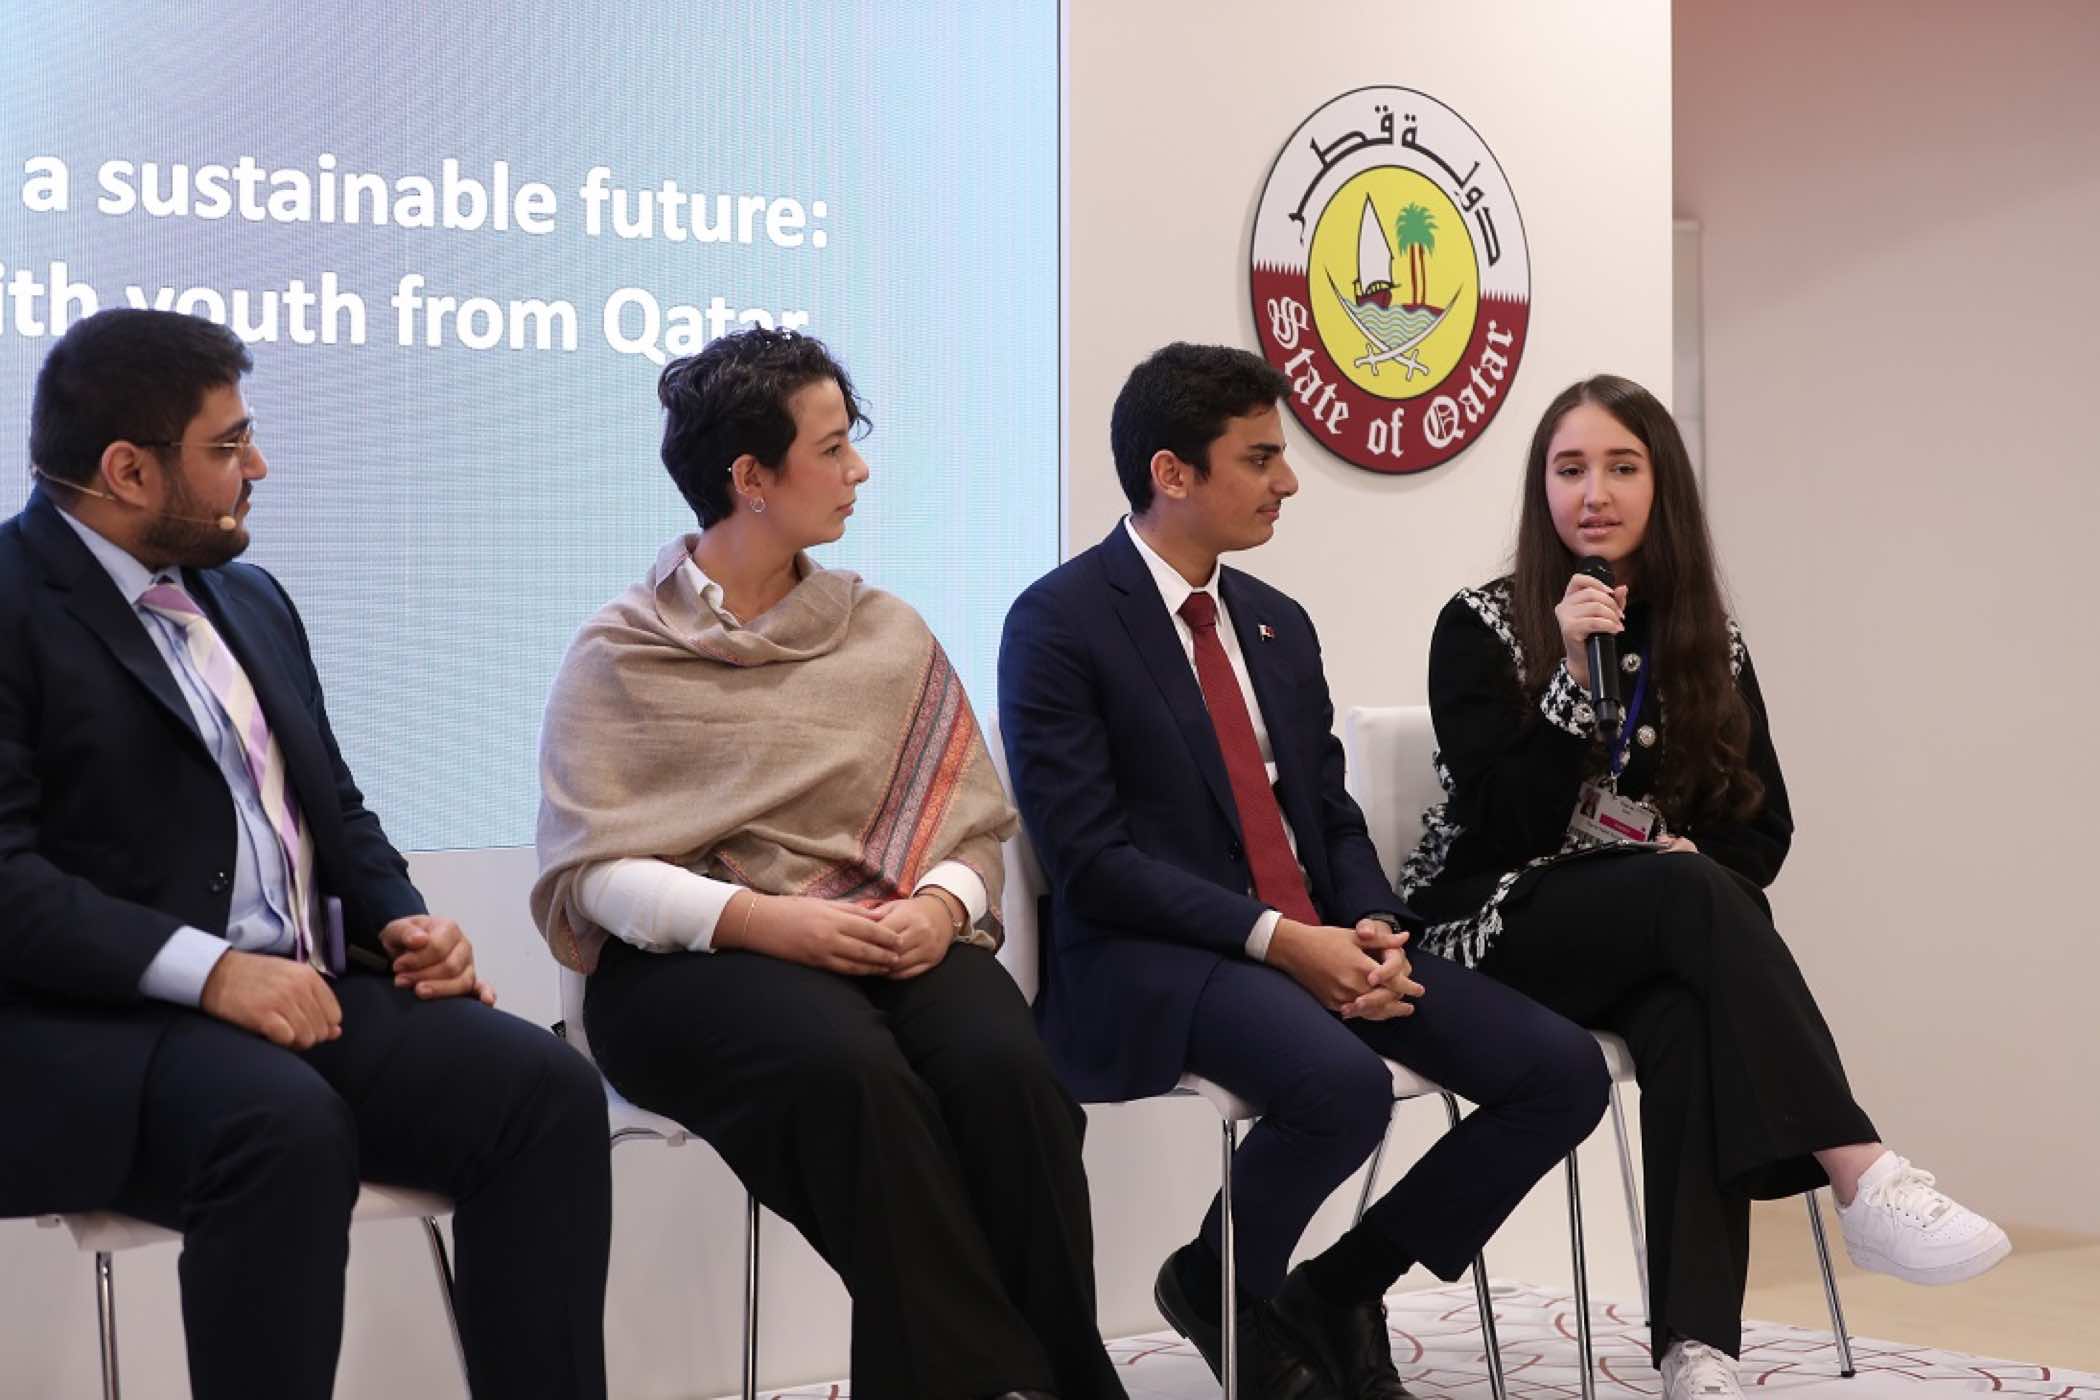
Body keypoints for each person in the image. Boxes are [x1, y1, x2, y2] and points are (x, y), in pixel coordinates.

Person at [0, 308, 611, 1400]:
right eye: (228, 446)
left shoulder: (247, 593)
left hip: (303, 996)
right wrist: (216, 971)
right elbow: (8, 885)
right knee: (282, 1127)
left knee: (544, 1090)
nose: (259, 467)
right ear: (128, 468)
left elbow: (331, 804)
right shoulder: (8, 603)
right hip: (96, 1030)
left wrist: (400, 918)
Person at [997, 342, 1609, 1400]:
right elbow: (1092, 864)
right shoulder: (1058, 622)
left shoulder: (1277, 621)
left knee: (1562, 1074)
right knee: (1342, 1084)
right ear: (1171, 472)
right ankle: (1219, 1280)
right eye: (1261, 458)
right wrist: (1285, 940)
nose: (1288, 481)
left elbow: (1328, 812)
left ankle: (1339, 1284)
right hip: (1160, 955)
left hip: (1317, 937)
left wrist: (1370, 919)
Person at [532, 327, 1122, 1400]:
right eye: (833, 448)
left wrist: (942, 908)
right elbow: (597, 874)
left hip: (889, 928)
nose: (858, 471)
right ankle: (1040, 1378)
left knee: (1008, 1077)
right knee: (854, 1080)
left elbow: (973, 828)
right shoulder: (621, 649)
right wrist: (765, 922)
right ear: (749, 479)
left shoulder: (882, 630)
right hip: (685, 966)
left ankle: (1009, 1374)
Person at [1400, 374, 2010, 1400]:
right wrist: (1570, 670)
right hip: (1495, 923)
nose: (1594, 491)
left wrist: (1690, 863)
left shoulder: (1704, 639)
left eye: (1621, 467)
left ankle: (1699, 1350)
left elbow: (1760, 828)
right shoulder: (1482, 624)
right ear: (1540, 488)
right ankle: (1859, 1167)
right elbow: (1500, 821)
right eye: (1569, 468)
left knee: (1687, 999)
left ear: (1661, 485)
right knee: (1688, 901)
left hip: (1644, 936)